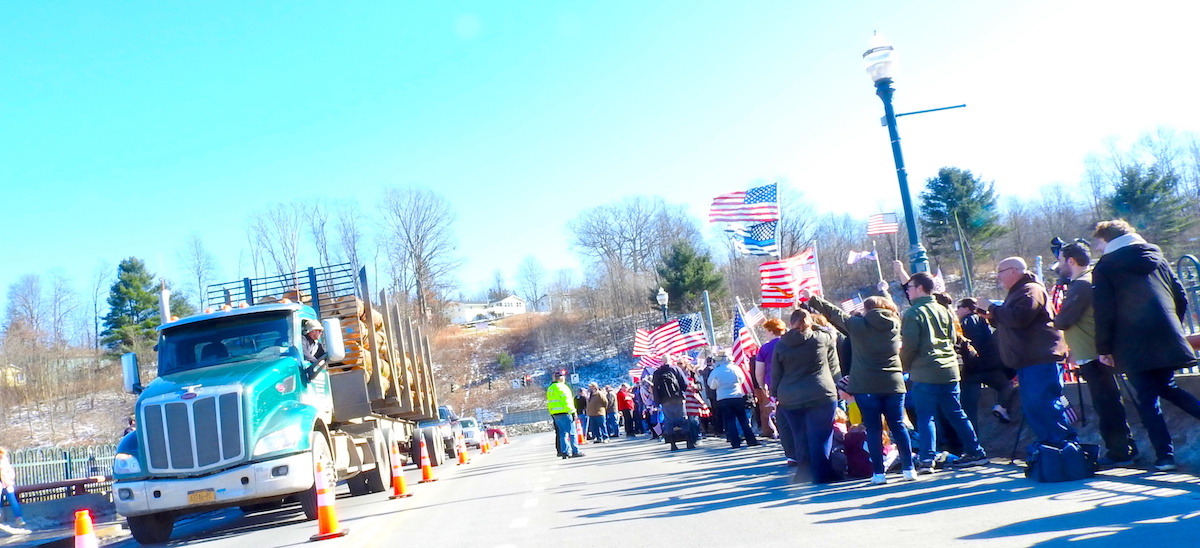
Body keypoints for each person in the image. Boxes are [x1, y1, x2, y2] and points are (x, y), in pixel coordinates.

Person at [1091, 220, 1200, 472]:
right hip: (1166, 337)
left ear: (1107, 240)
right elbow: (1180, 295)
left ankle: (1165, 456)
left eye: (1099, 242)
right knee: (1167, 387)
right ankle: (1165, 456)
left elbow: (1104, 311)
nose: (1097, 247)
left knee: (1148, 398)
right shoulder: (1157, 256)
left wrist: (1104, 348)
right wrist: (1171, 326)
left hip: (1131, 343)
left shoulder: (1105, 267)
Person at [804, 289, 917, 484]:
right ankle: (909, 469)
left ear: (866, 309)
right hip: (893, 383)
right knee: (898, 426)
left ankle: (879, 473)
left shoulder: (858, 326)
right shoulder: (895, 324)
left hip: (866, 385)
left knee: (872, 429)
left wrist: (813, 299)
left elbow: (834, 313)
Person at [978, 257, 1076, 455]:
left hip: (1040, 359)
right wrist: (994, 317)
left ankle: (1066, 449)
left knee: (1045, 404)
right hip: (1028, 361)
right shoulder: (1018, 293)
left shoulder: (1030, 289)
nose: (998, 277)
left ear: (1014, 271)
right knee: (1034, 407)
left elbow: (1019, 318)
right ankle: (1051, 450)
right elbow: (1015, 320)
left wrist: (992, 308)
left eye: (1000, 271)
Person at [1053, 241, 1137, 466]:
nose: (1059, 266)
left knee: (1106, 404)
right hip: (1095, 351)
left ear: (1071, 261)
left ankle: (1120, 451)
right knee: (1111, 401)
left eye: (1061, 261)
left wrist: (1055, 317)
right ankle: (1126, 446)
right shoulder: (1091, 280)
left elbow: (1063, 320)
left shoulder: (1080, 285)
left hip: (1093, 354)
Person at [901, 272, 988, 472]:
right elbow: (951, 339)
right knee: (957, 413)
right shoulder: (945, 310)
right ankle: (976, 451)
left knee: (925, 417)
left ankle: (927, 459)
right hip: (949, 369)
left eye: (910, 287)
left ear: (920, 288)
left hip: (925, 371)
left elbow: (910, 345)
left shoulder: (913, 313)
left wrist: (905, 366)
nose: (908, 290)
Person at [770, 308, 841, 484]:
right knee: (821, 435)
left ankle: (804, 473)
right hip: (821, 392)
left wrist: (773, 394)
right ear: (809, 322)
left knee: (800, 436)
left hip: (790, 396)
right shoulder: (821, 339)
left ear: (790, 323)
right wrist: (811, 322)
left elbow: (776, 374)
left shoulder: (781, 344)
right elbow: (830, 336)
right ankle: (822, 473)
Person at [956, 298, 1016, 427]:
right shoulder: (984, 321)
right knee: (1007, 385)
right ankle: (1001, 406)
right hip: (991, 367)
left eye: (958, 307)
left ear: (966, 309)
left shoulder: (962, 324)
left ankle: (972, 440)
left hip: (971, 370)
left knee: (968, 410)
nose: (956, 311)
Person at [707, 351, 760, 448]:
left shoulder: (716, 371)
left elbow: (712, 385)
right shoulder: (736, 368)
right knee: (743, 420)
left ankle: (735, 442)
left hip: (723, 398)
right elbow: (741, 380)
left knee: (729, 420)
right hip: (737, 396)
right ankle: (751, 440)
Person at [653, 357, 694, 449]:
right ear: (670, 360)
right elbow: (685, 383)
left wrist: (657, 402)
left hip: (665, 400)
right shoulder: (676, 369)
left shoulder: (657, 372)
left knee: (669, 421)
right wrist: (681, 392)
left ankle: (673, 444)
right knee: (683, 420)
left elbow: (655, 388)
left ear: (662, 361)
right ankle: (689, 442)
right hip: (677, 398)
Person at [754, 319, 786, 441]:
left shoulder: (765, 348)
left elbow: (759, 373)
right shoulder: (791, 343)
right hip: (793, 382)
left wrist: (763, 387)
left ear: (771, 331)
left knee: (780, 413)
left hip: (774, 385)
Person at [545, 372, 583, 459]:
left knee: (562, 433)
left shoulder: (550, 388)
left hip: (555, 414)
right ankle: (575, 451)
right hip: (565, 412)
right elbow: (567, 402)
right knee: (572, 433)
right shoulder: (563, 387)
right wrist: (573, 412)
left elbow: (550, 402)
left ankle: (565, 452)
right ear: (562, 379)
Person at [0, 448, 25, 528]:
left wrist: (9, 479)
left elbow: (10, 472)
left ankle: (19, 518)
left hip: (6, 483)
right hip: (4, 482)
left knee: (13, 500)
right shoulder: (5, 461)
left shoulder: (4, 461)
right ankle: (4, 519)